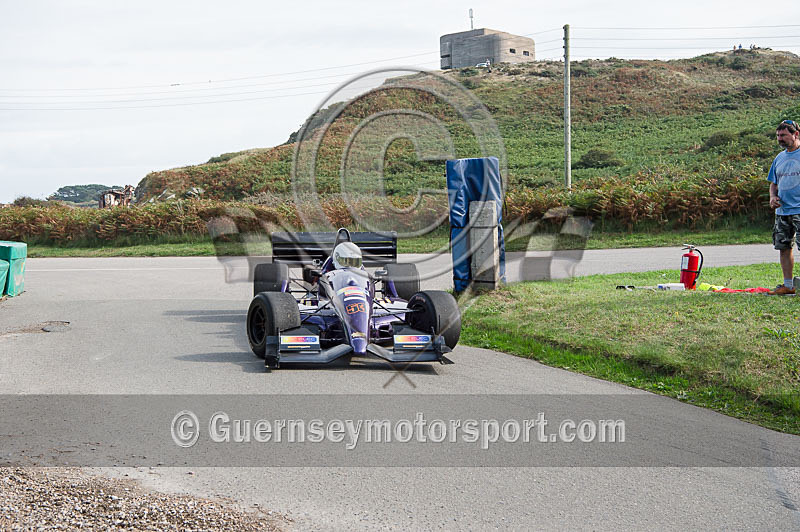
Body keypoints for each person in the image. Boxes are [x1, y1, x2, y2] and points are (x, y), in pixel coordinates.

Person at [767, 119, 800, 294]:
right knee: (784, 247)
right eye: (778, 135)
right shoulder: (779, 158)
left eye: (784, 135)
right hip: (783, 211)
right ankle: (788, 285)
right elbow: (774, 183)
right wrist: (773, 197)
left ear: (796, 134)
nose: (780, 139)